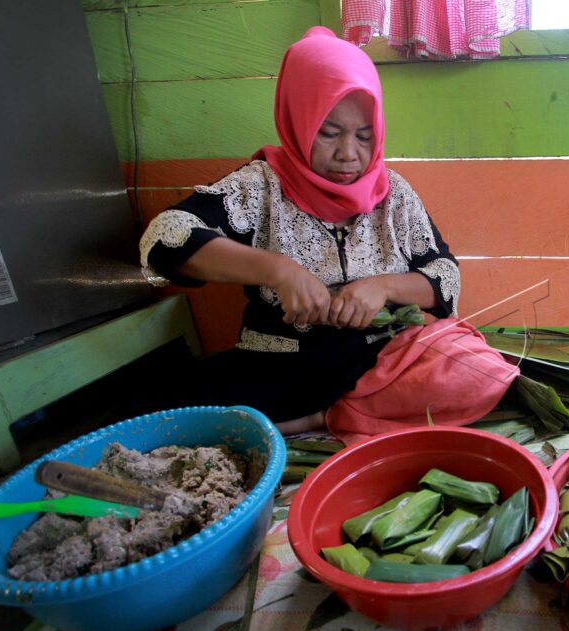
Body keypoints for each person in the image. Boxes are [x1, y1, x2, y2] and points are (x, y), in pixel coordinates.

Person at [139, 27, 516, 440]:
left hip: (382, 364)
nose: (348, 154)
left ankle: (329, 417)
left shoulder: (393, 193)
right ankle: (342, 414)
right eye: (329, 132)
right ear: (298, 121)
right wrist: (279, 271)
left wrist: (383, 288)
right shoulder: (259, 187)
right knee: (166, 412)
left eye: (364, 135)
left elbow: (444, 276)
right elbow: (166, 236)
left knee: (479, 370)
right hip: (282, 368)